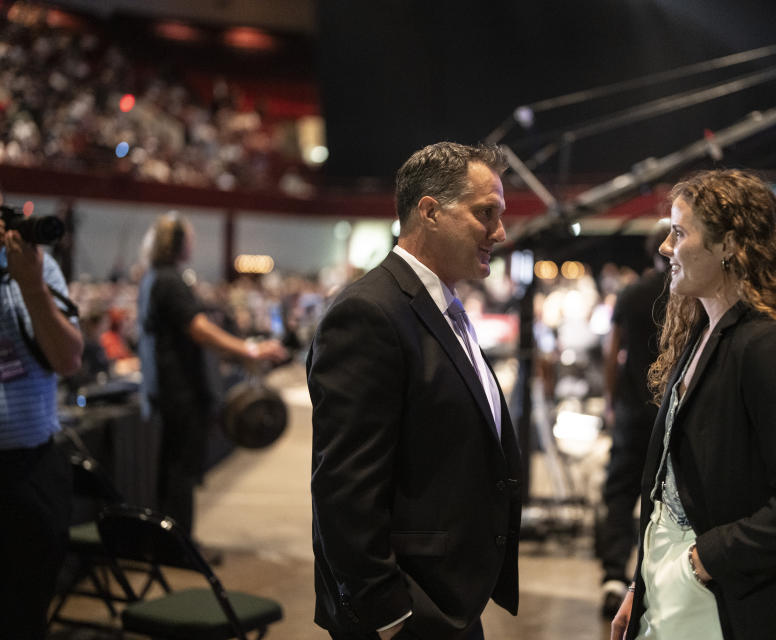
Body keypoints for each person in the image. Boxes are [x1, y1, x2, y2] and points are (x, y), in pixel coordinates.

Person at [611, 169, 776, 640]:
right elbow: (670, 487)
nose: (664, 248)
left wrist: (703, 562)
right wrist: (645, 585)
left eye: (678, 232)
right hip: (674, 586)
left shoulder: (772, 346)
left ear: (729, 245)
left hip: (728, 601)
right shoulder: (700, 335)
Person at [308, 141, 522, 640]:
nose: (500, 232)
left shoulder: (442, 304)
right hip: (407, 610)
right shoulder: (368, 313)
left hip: (449, 599)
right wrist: (388, 614)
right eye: (485, 213)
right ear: (430, 211)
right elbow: (344, 489)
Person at [137, 211, 286, 539]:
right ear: (176, 242)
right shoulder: (169, 280)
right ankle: (180, 544)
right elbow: (199, 328)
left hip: (166, 387)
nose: (193, 244)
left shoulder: (155, 276)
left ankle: (169, 540)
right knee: (180, 470)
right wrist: (250, 349)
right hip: (179, 389)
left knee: (173, 466)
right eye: (188, 238)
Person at [0, 210, 83, 638]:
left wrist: (31, 285)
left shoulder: (37, 267)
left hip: (30, 470)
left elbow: (68, 359)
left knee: (24, 616)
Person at [597, 224, 669, 618]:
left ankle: (612, 575)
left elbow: (614, 354)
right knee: (663, 499)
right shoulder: (688, 293)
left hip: (630, 411)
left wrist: (611, 403)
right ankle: (649, 581)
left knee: (620, 492)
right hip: (670, 414)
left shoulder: (631, 293)